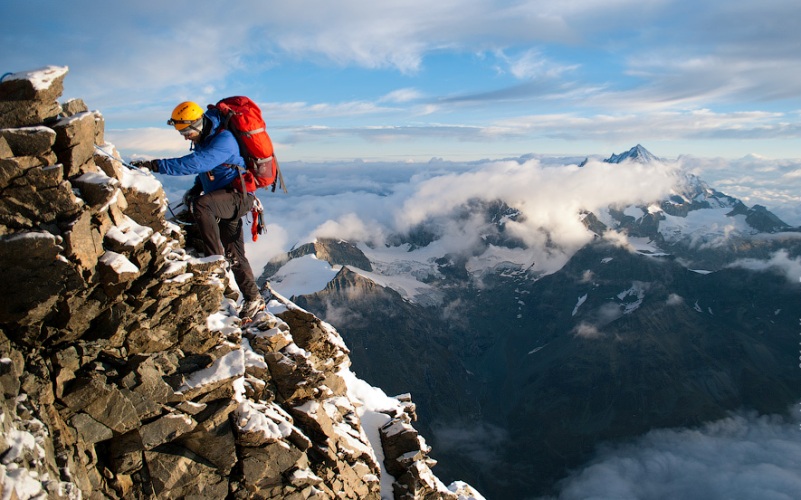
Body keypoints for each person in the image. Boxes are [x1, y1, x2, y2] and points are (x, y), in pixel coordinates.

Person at [132, 101, 266, 321]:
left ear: (198, 122)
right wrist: (197, 187)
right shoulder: (206, 139)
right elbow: (209, 171)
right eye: (180, 131)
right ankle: (253, 298)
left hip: (236, 198)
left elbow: (198, 163)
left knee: (202, 206)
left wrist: (156, 165)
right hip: (228, 198)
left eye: (186, 130)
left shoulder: (223, 140)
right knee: (236, 253)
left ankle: (214, 262)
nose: (185, 136)